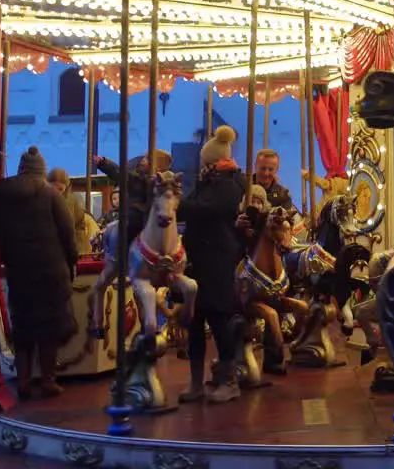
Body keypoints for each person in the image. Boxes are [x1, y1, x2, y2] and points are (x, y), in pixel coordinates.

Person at [0, 147, 78, 399]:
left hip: (19, 269)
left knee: (23, 328)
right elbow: (67, 232)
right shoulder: (51, 195)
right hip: (51, 270)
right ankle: (48, 380)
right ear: (41, 171)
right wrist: (72, 260)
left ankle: (24, 382)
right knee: (49, 329)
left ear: (20, 168)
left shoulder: (1, 193)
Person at [177, 126, 246, 403]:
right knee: (195, 320)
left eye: (206, 161)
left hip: (216, 258)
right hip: (198, 258)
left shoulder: (228, 185)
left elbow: (207, 210)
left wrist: (176, 204)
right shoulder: (208, 183)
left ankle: (229, 380)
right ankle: (195, 382)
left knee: (218, 318)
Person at [94, 149, 173, 244]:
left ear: (158, 167)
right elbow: (121, 174)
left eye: (147, 159)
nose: (142, 160)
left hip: (141, 219)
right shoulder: (138, 179)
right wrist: (104, 163)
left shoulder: (156, 185)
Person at [48, 167, 99, 255]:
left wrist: (78, 251)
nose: (57, 192)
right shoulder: (43, 200)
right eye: (53, 188)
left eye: (60, 189)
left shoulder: (71, 201)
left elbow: (75, 228)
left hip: (71, 245)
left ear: (66, 188)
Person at [252, 148, 295, 213]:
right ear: (255, 166)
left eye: (271, 169)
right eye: (263, 168)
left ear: (277, 169)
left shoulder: (283, 196)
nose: (266, 173)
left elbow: (288, 220)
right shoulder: (243, 187)